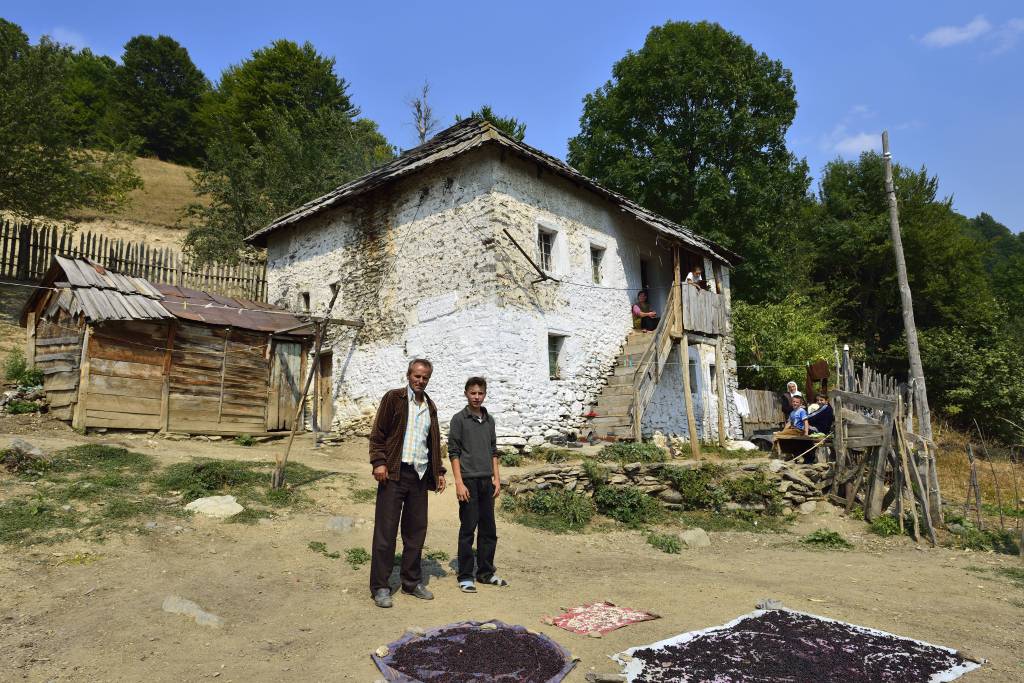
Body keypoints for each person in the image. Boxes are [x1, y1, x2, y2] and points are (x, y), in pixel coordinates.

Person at [368, 359, 447, 609]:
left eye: (425, 377)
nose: (420, 381)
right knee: (386, 532)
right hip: (393, 473)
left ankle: (411, 582)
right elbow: (378, 434)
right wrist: (379, 462)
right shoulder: (394, 398)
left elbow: (432, 442)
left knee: (415, 533)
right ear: (409, 375)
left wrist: (439, 471)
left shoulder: (430, 406)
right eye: (417, 376)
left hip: (419, 476)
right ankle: (381, 586)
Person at [448, 377, 508, 593]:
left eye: (480, 393)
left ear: (485, 394)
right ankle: (465, 575)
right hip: (468, 482)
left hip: (486, 481)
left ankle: (485, 572)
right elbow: (453, 452)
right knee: (468, 529)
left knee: (488, 530)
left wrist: (496, 478)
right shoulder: (459, 420)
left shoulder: (489, 420)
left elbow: (493, 451)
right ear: (466, 393)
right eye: (472, 393)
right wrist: (459, 483)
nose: (476, 397)